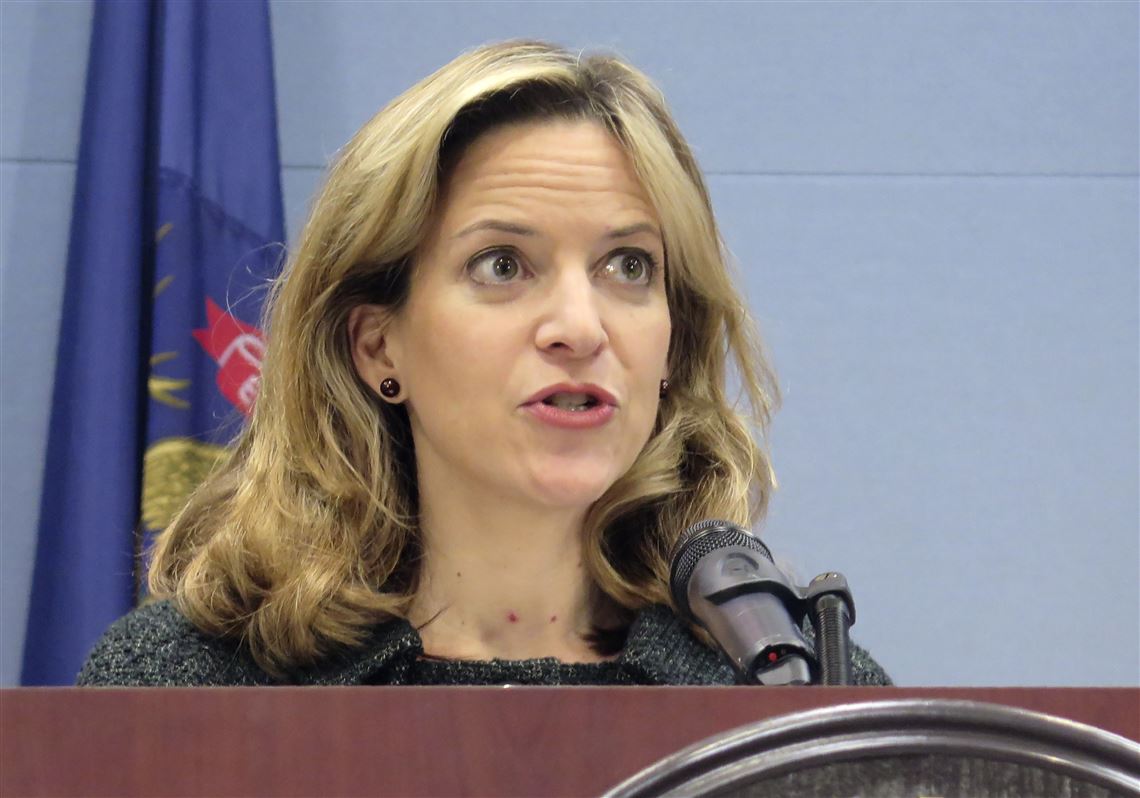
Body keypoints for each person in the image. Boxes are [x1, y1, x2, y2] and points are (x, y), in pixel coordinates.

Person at [78, 40, 889, 687]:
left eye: (628, 266)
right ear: (377, 345)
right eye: (502, 265)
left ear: (673, 342)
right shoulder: (183, 685)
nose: (580, 327)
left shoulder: (792, 684)